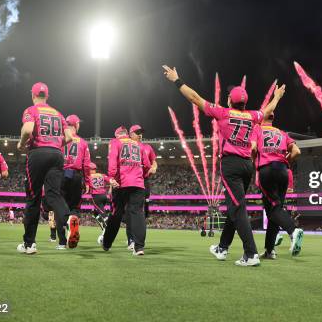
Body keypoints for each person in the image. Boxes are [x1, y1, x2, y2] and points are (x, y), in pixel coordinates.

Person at [162, 65, 285, 266]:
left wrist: (177, 79)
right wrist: (277, 96)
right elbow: (268, 110)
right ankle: (222, 247)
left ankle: (251, 254)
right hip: (247, 165)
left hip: (231, 164)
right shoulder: (253, 116)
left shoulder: (223, 112)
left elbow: (194, 97)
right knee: (234, 207)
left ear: (230, 100)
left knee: (237, 208)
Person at [16, 82, 75, 255]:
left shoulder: (31, 110)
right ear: (47, 96)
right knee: (54, 195)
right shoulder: (58, 113)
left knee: (33, 198)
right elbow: (70, 137)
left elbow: (28, 129)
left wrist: (21, 144)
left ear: (33, 95)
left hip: (38, 153)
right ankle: (68, 219)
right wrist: (55, 144)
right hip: (57, 154)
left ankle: (29, 244)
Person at [251, 113, 303, 258]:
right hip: (283, 172)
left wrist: (254, 163)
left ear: (261, 119)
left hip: (267, 170)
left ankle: (293, 231)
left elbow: (253, 149)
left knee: (274, 210)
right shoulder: (282, 133)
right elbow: (297, 151)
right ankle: (269, 250)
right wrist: (285, 161)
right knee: (274, 210)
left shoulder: (257, 129)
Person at [102, 126, 148, 256]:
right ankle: (139, 248)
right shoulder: (139, 145)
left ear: (117, 135)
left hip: (121, 183)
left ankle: (106, 244)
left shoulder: (115, 142)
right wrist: (139, 176)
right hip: (138, 184)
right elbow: (147, 165)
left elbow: (112, 161)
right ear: (128, 134)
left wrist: (111, 177)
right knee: (138, 213)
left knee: (116, 214)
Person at [57, 114, 92, 249]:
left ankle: (61, 243)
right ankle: (73, 218)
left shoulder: (59, 139)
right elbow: (87, 165)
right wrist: (87, 182)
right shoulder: (82, 142)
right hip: (76, 175)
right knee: (75, 207)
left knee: (59, 207)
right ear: (76, 125)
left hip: (60, 174)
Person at [125, 124, 157, 249]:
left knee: (142, 213)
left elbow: (154, 161)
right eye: (137, 132)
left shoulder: (147, 147)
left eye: (141, 132)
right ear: (130, 134)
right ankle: (131, 240)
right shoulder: (125, 145)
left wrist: (154, 167)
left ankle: (138, 240)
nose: (140, 134)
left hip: (144, 181)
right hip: (129, 181)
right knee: (129, 211)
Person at [86, 162, 116, 244]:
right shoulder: (101, 175)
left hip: (96, 197)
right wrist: (111, 188)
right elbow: (111, 180)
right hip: (104, 196)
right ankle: (104, 227)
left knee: (103, 215)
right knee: (95, 213)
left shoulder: (88, 177)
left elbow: (87, 189)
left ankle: (107, 230)